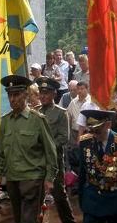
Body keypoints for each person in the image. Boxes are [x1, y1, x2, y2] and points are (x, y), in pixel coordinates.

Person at [0, 75, 58, 223]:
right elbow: (1, 152)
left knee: (28, 219)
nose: (12, 99)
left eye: (16, 95)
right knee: (18, 218)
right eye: (9, 95)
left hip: (33, 178)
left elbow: (50, 150)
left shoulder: (37, 120)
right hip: (12, 179)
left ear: (26, 95)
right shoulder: (5, 121)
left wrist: (49, 178)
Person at [36, 76, 76, 223]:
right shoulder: (34, 112)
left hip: (54, 161)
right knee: (37, 195)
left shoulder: (60, 113)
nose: (42, 96)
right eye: (41, 92)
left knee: (59, 195)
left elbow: (63, 138)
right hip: (36, 161)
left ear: (54, 94)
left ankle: (69, 220)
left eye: (46, 93)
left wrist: (48, 147)